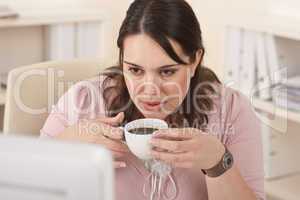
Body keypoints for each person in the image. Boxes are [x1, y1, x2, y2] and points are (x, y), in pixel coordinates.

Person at [40, 0, 265, 199]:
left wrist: (217, 162)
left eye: (167, 72)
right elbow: (28, 183)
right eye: (135, 70)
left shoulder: (233, 110)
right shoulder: (83, 101)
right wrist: (67, 147)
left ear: (195, 60)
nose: (150, 91)